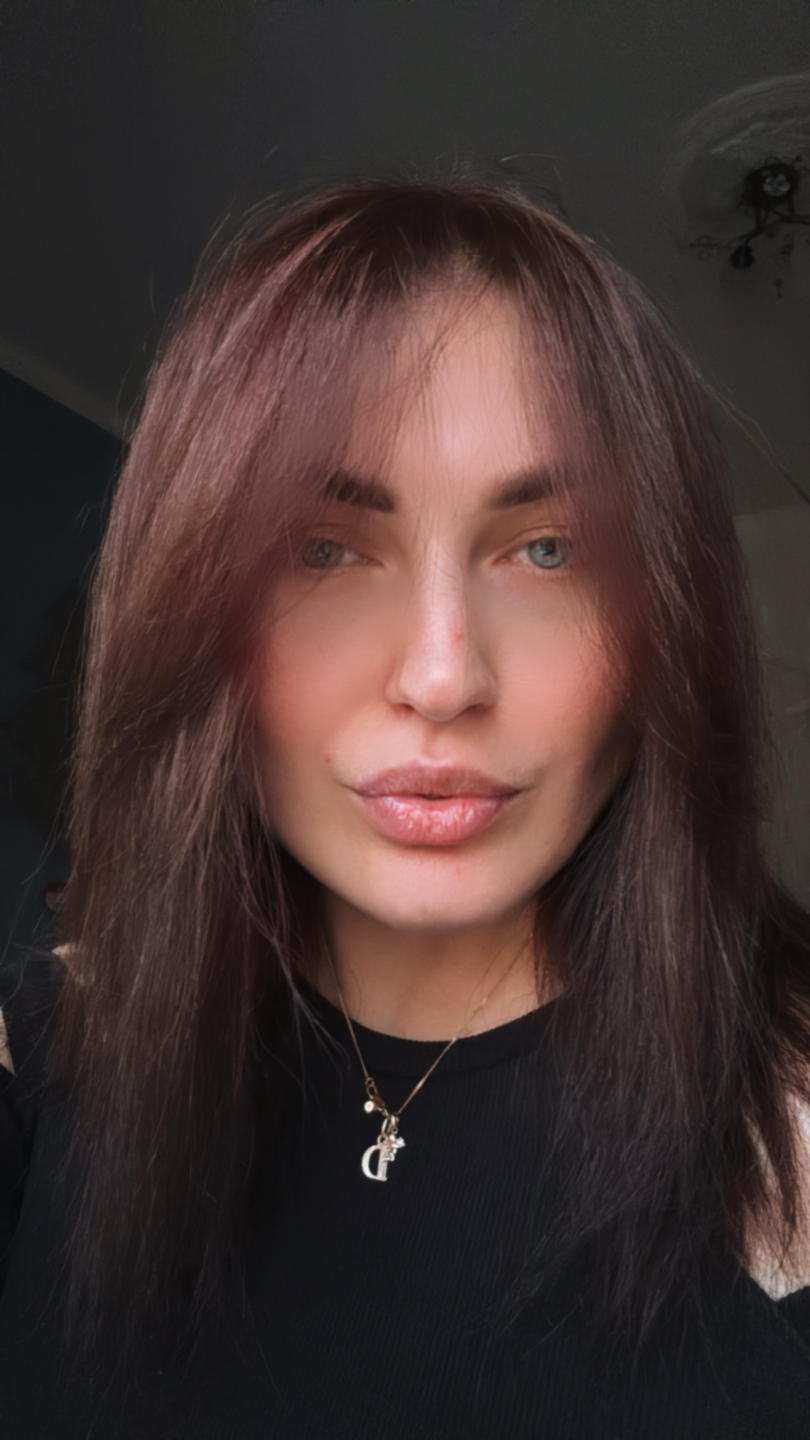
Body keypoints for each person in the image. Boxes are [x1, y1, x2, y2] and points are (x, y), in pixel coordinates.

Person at [1, 173, 809, 1438]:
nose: (442, 676)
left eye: (548, 549)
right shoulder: (56, 1045)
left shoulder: (791, 1143)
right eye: (324, 549)